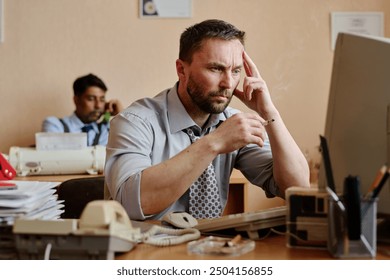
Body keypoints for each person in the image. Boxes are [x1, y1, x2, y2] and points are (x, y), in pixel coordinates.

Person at [104, 19, 310, 220]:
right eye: (216, 69)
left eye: (236, 70)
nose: (228, 83)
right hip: (146, 251)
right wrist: (215, 142)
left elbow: (297, 188)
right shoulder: (135, 121)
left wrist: (270, 113)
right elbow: (130, 204)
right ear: (181, 70)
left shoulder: (234, 123)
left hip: (208, 251)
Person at [42, 73, 123, 146]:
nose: (98, 105)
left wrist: (120, 115)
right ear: (76, 100)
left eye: (102, 100)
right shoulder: (55, 125)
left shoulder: (106, 128)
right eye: (91, 99)